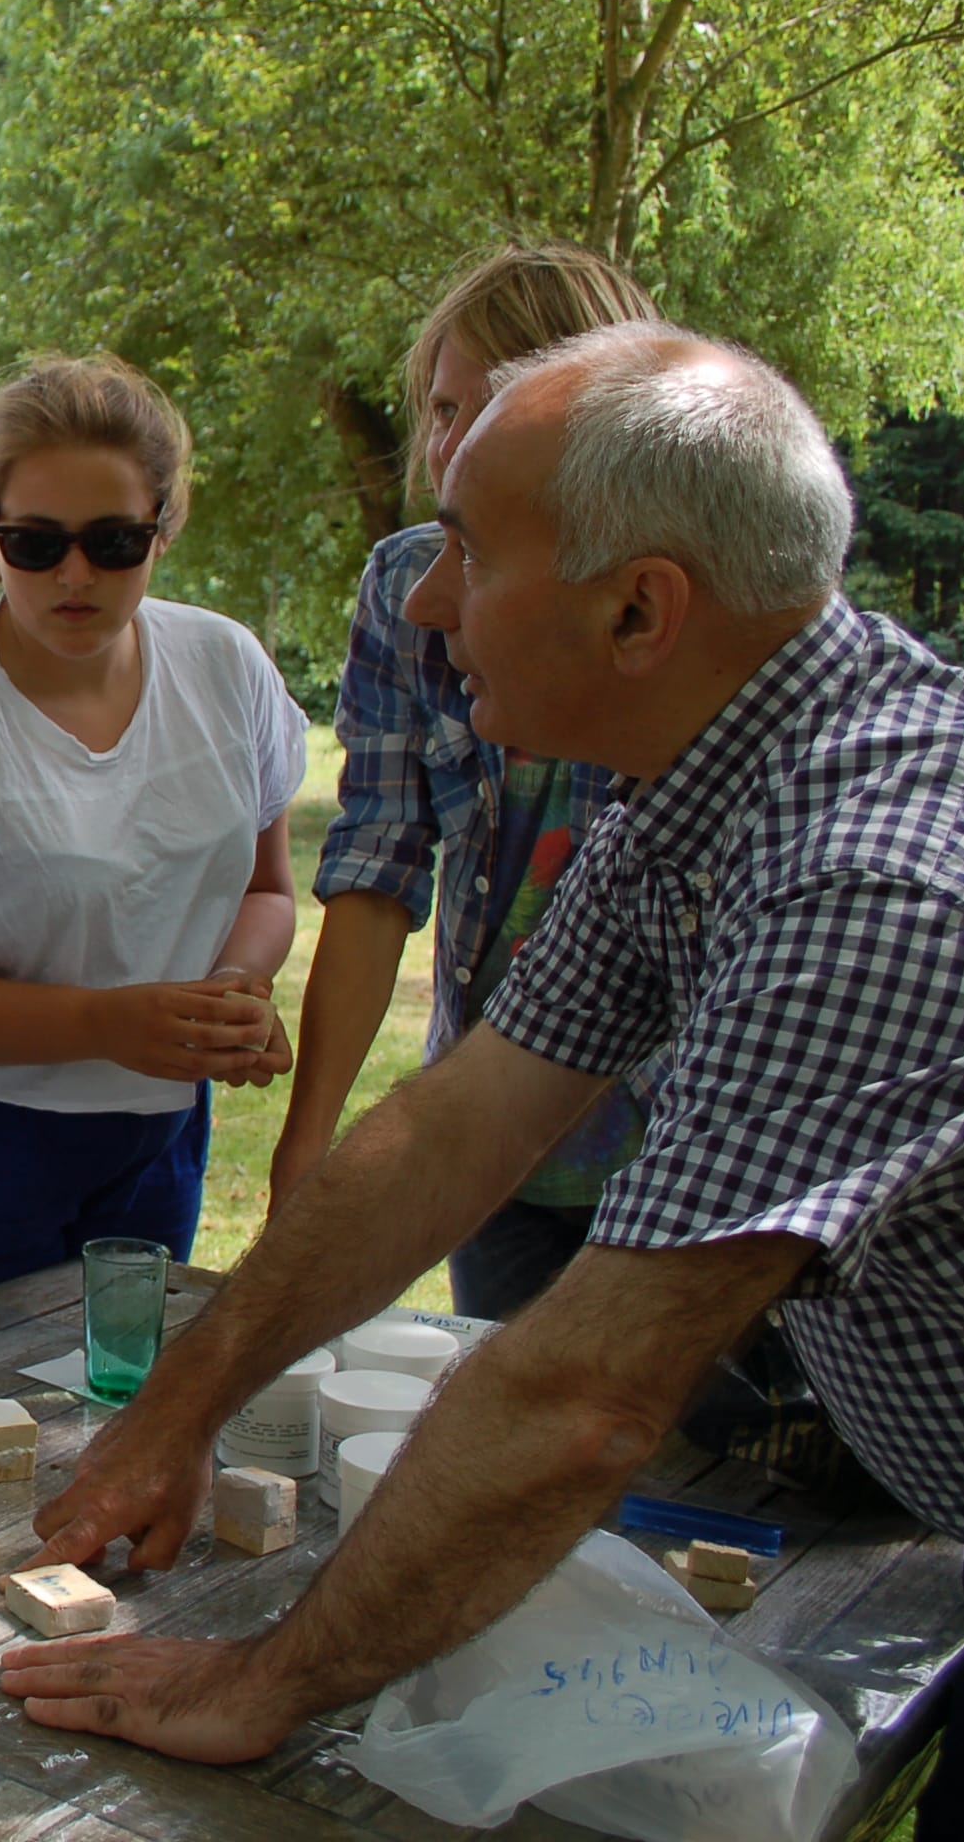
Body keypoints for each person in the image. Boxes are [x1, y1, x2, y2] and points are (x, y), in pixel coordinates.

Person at [2, 324, 964, 1842]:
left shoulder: (874, 888)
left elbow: (581, 1399)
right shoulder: (711, 777)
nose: (427, 602)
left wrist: (264, 1681)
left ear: (639, 609)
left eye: (470, 553)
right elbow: (453, 1125)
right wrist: (178, 1410)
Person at [0, 356, 306, 1334]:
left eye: (114, 541)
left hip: (150, 1135)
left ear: (163, 525)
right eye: (34, 544)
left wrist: (231, 991)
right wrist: (104, 1024)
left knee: (118, 1408)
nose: (75, 575)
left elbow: (265, 889)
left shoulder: (226, 668)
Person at [269, 244, 660, 1319]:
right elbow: (376, 865)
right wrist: (307, 1148)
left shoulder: (663, 595)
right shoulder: (409, 589)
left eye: (494, 407)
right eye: (443, 408)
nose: (454, 444)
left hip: (669, 1146)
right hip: (492, 1150)